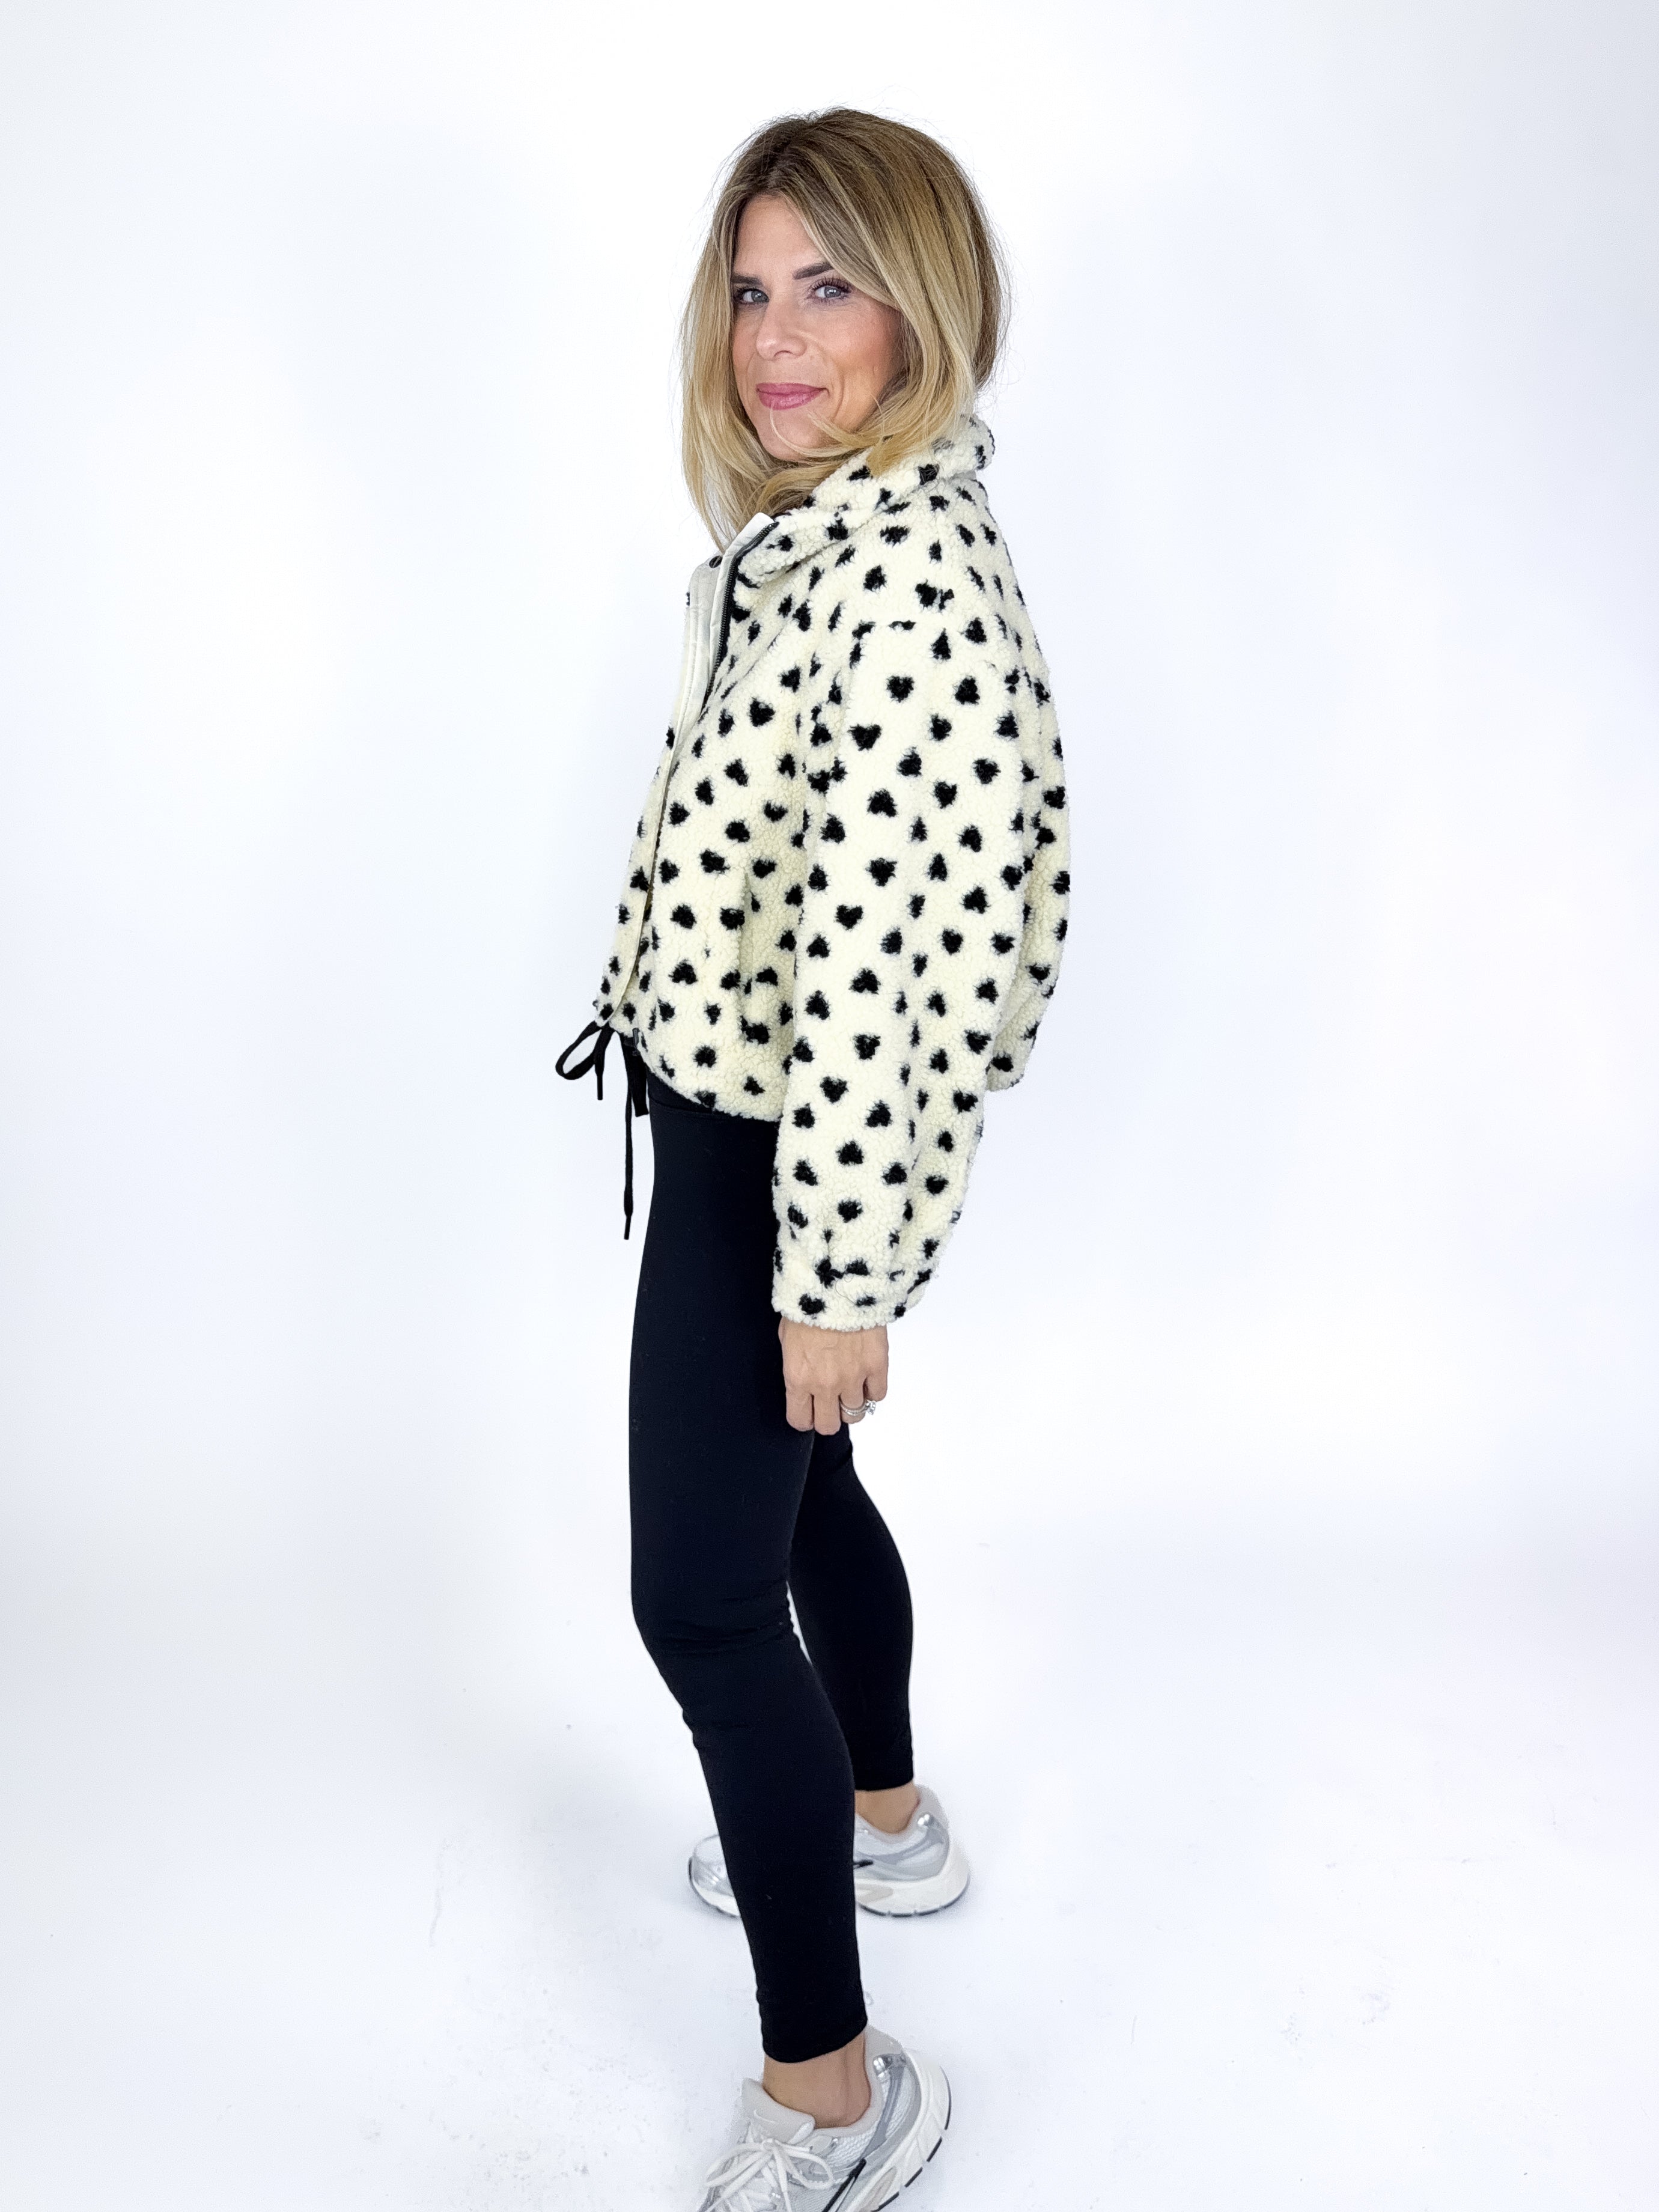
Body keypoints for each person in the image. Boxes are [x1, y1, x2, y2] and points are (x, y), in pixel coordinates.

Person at [559, 107, 1070, 2210]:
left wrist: (837, 1268)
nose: (774, 337)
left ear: (922, 303)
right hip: (733, 1117)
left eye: (828, 285)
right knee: (804, 1496)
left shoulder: (908, 577)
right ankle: (885, 1820)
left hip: (789, 1150)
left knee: (698, 1600)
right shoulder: (828, 532)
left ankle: (834, 2098)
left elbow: (897, 962)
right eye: (752, 289)